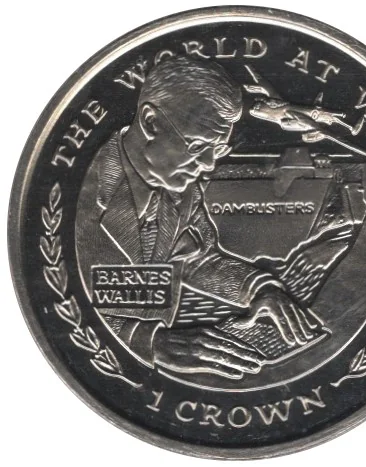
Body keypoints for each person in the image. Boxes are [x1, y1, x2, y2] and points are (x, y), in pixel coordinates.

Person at [76, 55, 327, 380]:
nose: (208, 165)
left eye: (217, 150)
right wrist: (148, 342)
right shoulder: (81, 190)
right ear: (151, 122)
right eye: (197, 146)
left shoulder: (182, 188)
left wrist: (258, 288)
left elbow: (199, 258)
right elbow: (64, 299)